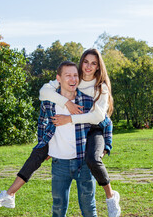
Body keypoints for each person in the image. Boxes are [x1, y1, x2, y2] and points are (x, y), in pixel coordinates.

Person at [0, 61, 97, 216]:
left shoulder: (87, 101)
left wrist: (105, 147)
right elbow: (41, 122)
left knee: (88, 209)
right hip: (59, 164)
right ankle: (10, 194)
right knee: (58, 209)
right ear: (58, 78)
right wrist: (44, 143)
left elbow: (103, 122)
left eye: (75, 75)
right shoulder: (49, 102)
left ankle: (9, 194)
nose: (73, 79)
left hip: (83, 163)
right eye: (68, 76)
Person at [39, 48, 121, 217]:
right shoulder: (75, 79)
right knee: (59, 204)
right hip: (78, 135)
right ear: (81, 62)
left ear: (98, 67)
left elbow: (99, 117)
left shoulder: (101, 87)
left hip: (95, 129)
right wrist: (66, 103)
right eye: (86, 62)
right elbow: (44, 92)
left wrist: (69, 119)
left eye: (93, 63)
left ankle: (111, 196)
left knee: (92, 160)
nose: (88, 66)